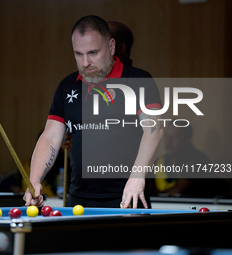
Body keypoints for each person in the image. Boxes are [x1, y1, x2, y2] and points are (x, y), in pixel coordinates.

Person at [23, 15, 163, 208]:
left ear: (112, 46)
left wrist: (137, 177)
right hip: (78, 201)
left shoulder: (137, 80)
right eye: (78, 54)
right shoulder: (67, 86)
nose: (85, 62)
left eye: (93, 53)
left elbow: (154, 129)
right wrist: (35, 180)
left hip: (128, 196)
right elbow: (50, 137)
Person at [154, 122, 230, 197]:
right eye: (166, 136)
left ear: (187, 139)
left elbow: (178, 190)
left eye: (175, 137)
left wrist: (156, 195)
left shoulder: (198, 160)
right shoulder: (160, 160)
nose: (168, 142)